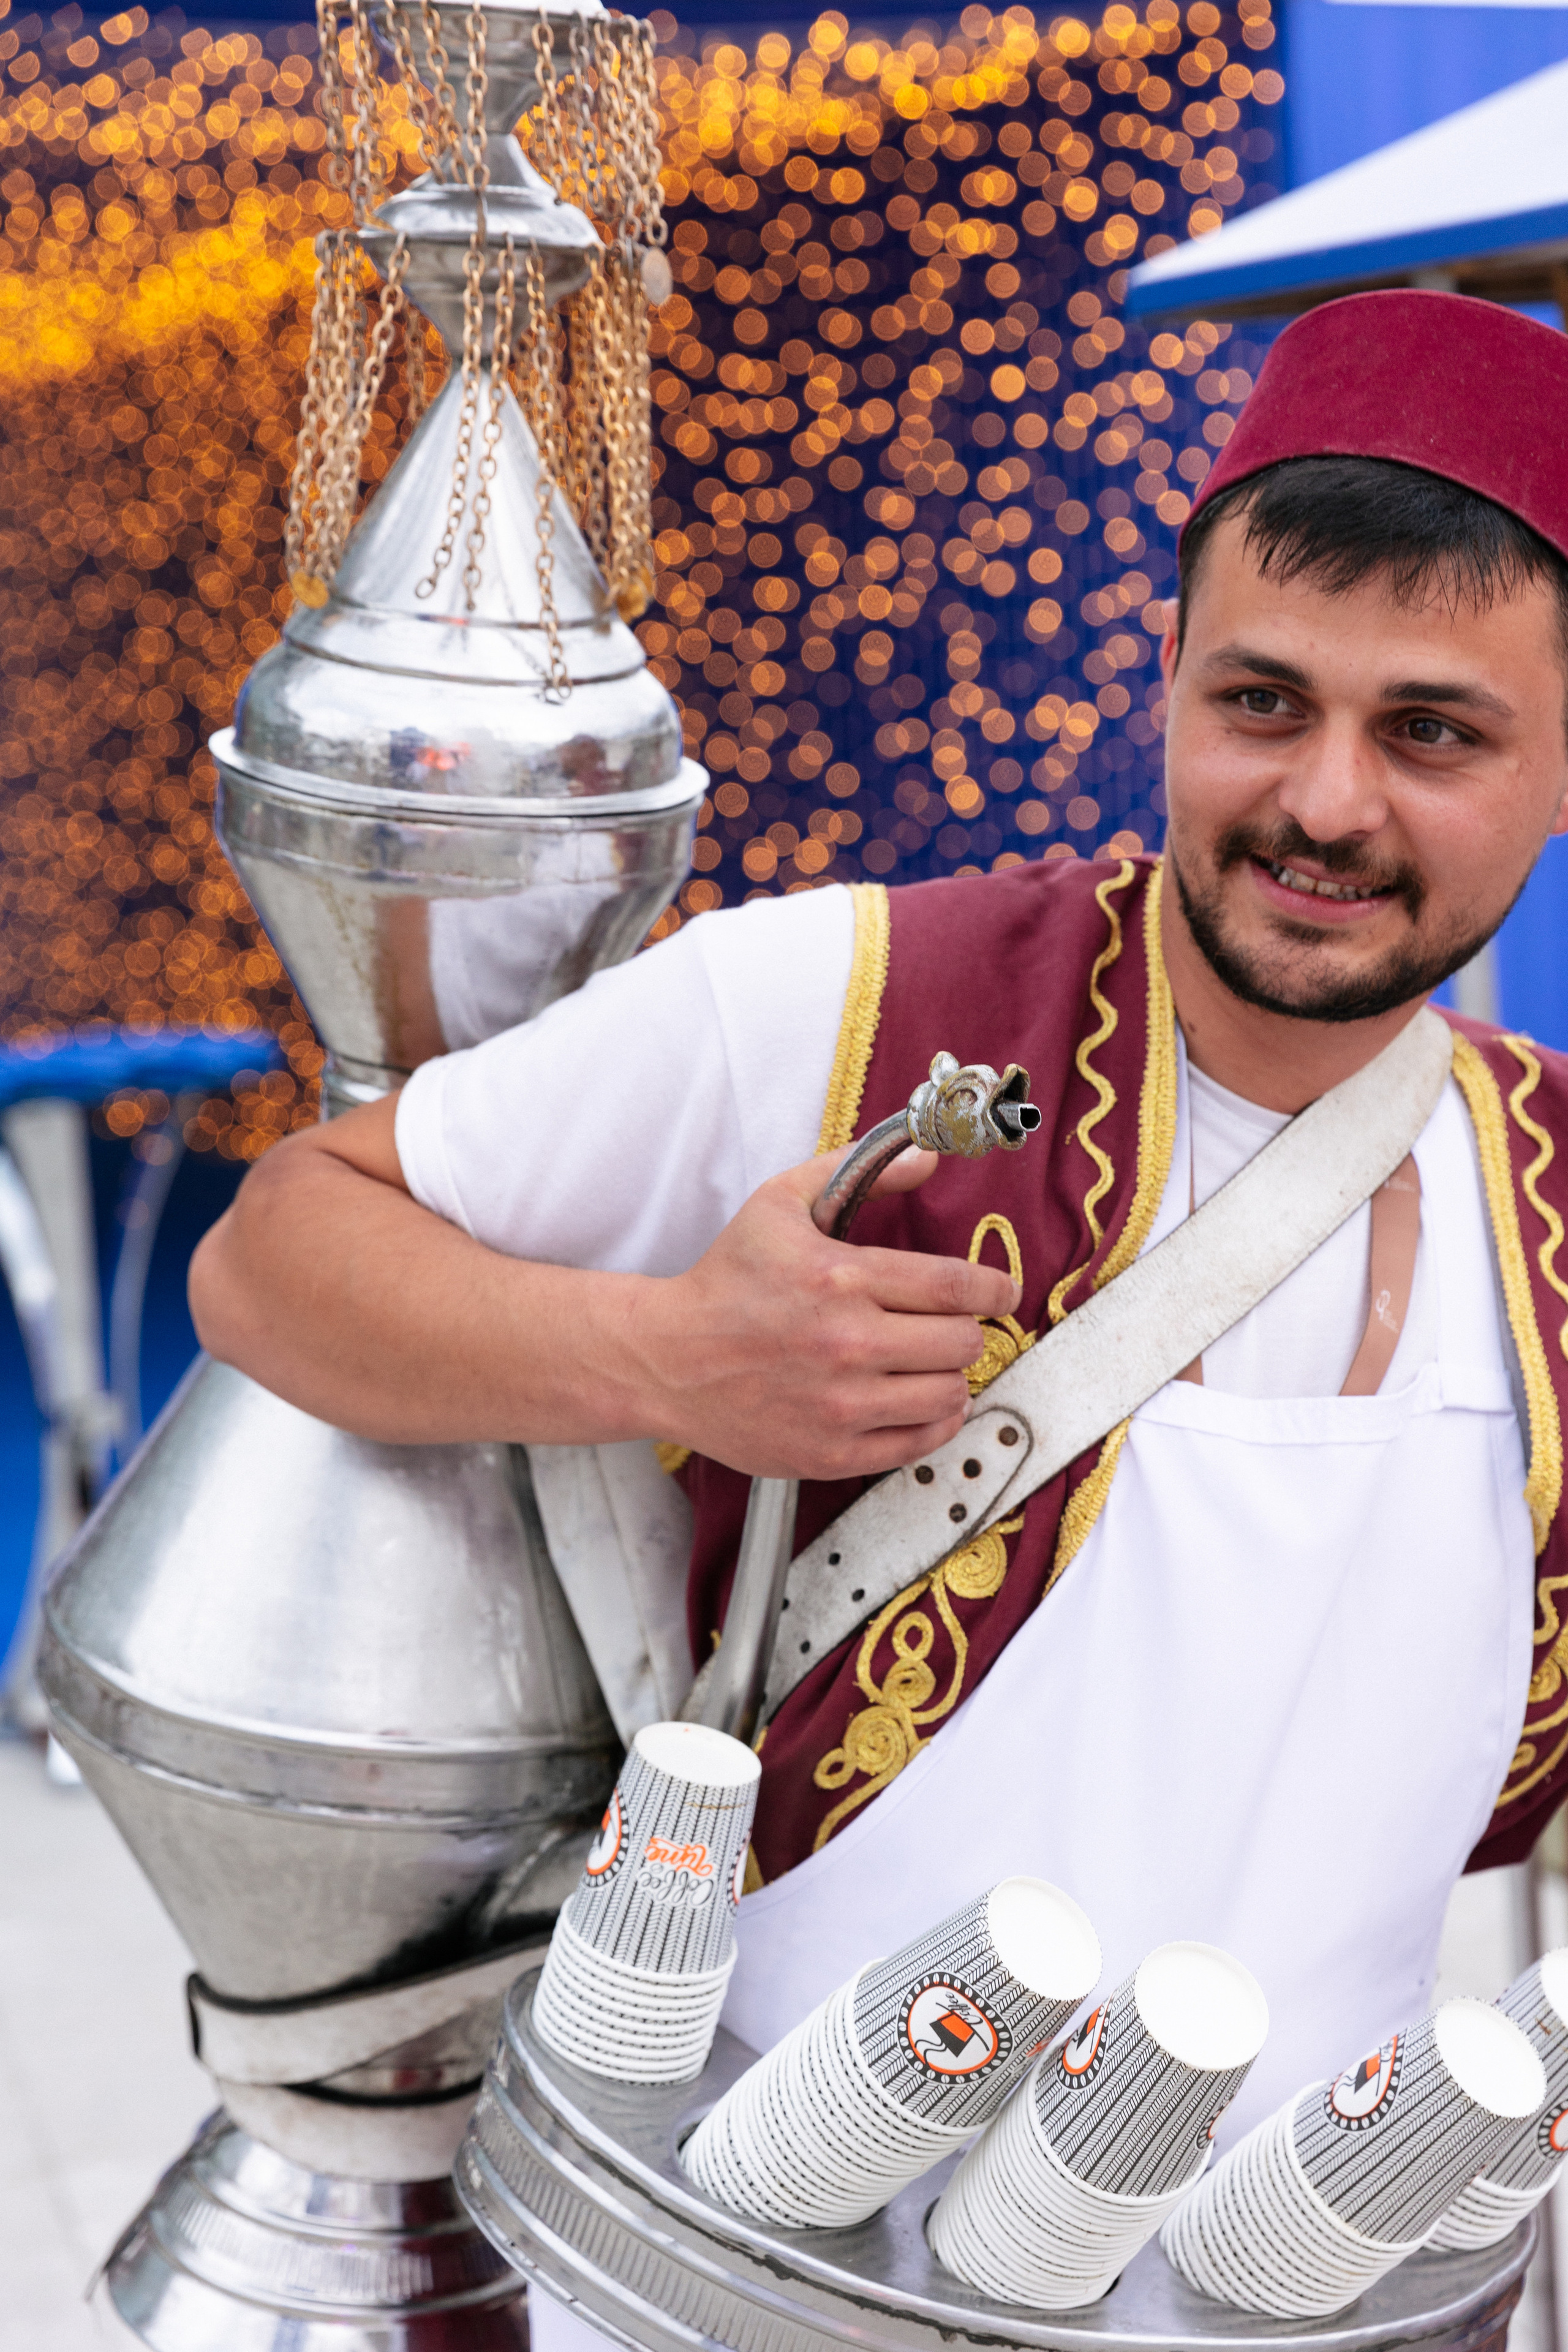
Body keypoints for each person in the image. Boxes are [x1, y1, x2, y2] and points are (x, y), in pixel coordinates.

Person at [194, 287, 1568, 2247]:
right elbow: (275, 1256)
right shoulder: (847, 1004)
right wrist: (664, 1359)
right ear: (1167, 673)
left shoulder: (1552, 1199)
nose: (1327, 802)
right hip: (764, 2274)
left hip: (1300, 2289)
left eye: (1433, 733)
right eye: (1264, 701)